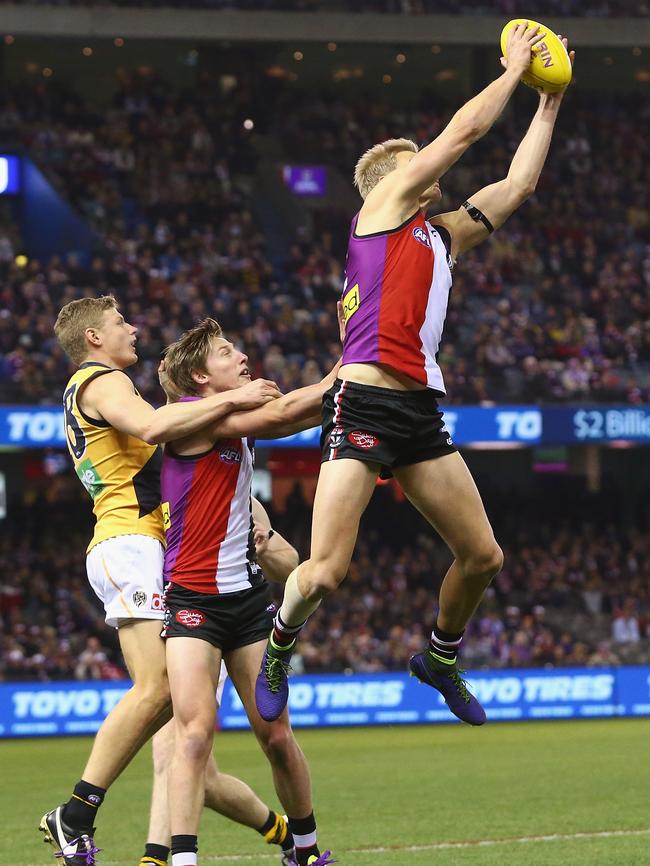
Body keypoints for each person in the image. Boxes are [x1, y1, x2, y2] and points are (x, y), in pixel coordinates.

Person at [255, 27, 575, 727]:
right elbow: (462, 132)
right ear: (392, 180)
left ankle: (441, 655)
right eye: (416, 159)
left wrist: (548, 104)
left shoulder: (441, 235)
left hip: (420, 413)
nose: (433, 166)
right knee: (328, 570)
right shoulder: (379, 211)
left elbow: (517, 185)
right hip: (363, 403)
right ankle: (280, 642)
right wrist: (516, 70)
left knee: (484, 556)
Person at [42, 295, 281, 865]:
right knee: (162, 693)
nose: (133, 328)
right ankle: (75, 813)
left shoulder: (102, 388)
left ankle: (161, 851)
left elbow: (165, 439)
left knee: (180, 729)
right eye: (120, 323)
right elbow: (154, 426)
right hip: (132, 542)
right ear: (94, 339)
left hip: (130, 545)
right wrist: (240, 396)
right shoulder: (101, 381)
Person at [159, 318, 337, 866]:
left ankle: (304, 851)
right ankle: (183, 861)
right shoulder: (189, 422)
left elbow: (294, 413)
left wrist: (346, 380)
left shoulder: (231, 420)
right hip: (192, 602)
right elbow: (284, 412)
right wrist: (352, 363)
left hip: (246, 602)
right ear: (199, 377)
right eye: (225, 353)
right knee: (194, 735)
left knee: (277, 738)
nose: (241, 357)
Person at [139, 499, 301, 866]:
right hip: (167, 621)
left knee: (174, 750)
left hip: (208, 626)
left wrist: (264, 543)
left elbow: (288, 563)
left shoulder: (239, 496)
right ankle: (284, 832)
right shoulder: (154, 486)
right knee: (204, 782)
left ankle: (154, 860)